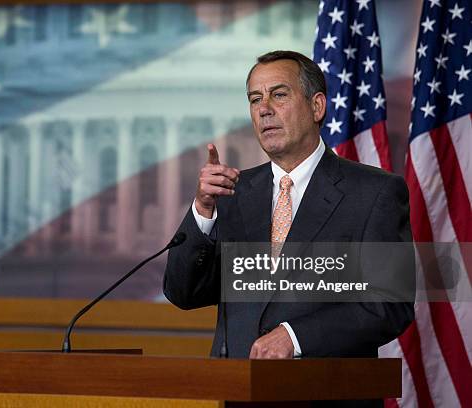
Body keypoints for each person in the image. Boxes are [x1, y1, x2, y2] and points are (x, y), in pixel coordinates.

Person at [163, 50, 414, 362]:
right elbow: (183, 294)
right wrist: (202, 211)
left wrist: (297, 337)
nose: (264, 109)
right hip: (237, 390)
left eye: (278, 94)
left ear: (317, 106)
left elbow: (390, 303)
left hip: (324, 393)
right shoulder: (231, 192)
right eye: (255, 99)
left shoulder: (374, 193)